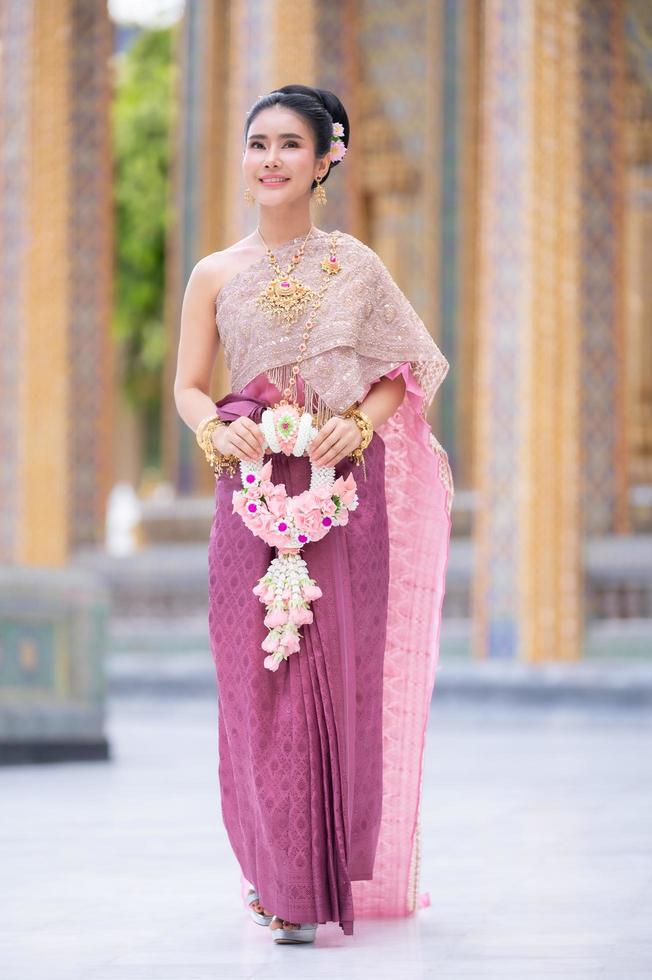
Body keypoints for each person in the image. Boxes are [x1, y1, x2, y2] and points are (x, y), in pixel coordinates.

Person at [173, 84, 453, 945]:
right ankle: (274, 875)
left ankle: (315, 878)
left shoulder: (355, 267)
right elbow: (187, 387)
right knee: (254, 685)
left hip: (339, 500)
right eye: (257, 144)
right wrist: (216, 432)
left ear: (326, 157)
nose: (268, 160)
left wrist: (353, 426)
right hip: (249, 496)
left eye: (289, 145)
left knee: (334, 679)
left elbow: (404, 370)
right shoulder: (213, 273)